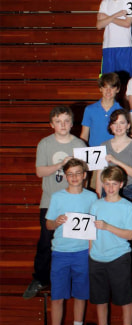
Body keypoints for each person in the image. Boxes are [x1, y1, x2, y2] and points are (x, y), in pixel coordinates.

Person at [34, 158, 97, 325]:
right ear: (65, 176)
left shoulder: (91, 197)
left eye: (79, 173)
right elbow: (49, 225)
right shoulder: (57, 197)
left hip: (82, 253)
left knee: (81, 295)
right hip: (61, 252)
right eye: (71, 174)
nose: (75, 177)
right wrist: (57, 221)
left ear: (85, 175)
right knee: (58, 297)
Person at [24, 107, 88, 300]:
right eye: (58, 121)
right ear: (52, 124)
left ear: (72, 123)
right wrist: (62, 165)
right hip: (50, 201)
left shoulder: (80, 144)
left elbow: (86, 174)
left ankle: (74, 279)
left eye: (66, 121)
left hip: (74, 200)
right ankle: (40, 278)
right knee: (46, 241)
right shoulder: (45, 143)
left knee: (76, 241)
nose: (63, 125)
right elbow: (40, 172)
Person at [87, 166, 132, 325]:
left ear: (121, 184)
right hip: (97, 259)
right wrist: (91, 252)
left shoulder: (127, 206)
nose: (110, 188)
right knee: (100, 301)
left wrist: (108, 227)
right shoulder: (96, 205)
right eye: (107, 184)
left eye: (114, 184)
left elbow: (130, 234)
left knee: (125, 300)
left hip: (119, 257)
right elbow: (90, 233)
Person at [95, 109, 132, 200]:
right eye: (115, 123)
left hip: (129, 190)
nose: (118, 126)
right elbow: (100, 174)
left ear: (128, 125)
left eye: (122, 123)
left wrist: (116, 161)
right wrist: (98, 196)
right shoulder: (104, 145)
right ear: (110, 126)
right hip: (108, 190)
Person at [97, 0, 132, 76]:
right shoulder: (104, 2)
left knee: (125, 80)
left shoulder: (130, 1)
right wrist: (116, 15)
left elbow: (127, 24)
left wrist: (108, 18)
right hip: (108, 46)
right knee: (108, 81)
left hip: (125, 46)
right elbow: (99, 25)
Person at [80, 72, 122, 147]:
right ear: (100, 89)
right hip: (95, 154)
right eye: (105, 87)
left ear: (117, 89)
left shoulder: (122, 111)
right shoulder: (89, 110)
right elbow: (84, 136)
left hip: (115, 153)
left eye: (112, 88)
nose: (108, 91)